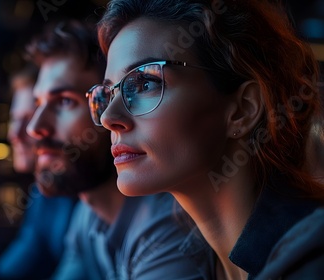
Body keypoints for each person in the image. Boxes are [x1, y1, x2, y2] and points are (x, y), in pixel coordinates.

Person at [88, 0, 324, 279]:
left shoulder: (312, 258)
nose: (108, 118)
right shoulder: (185, 262)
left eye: (144, 83)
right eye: (108, 94)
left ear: (243, 110)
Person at [25, 19, 210, 280]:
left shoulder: (169, 227)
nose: (34, 127)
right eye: (39, 103)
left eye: (65, 101)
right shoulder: (88, 216)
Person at [0, 65, 77, 280]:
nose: (15, 134)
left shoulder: (78, 192)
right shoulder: (43, 192)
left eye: (29, 117)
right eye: (15, 118)